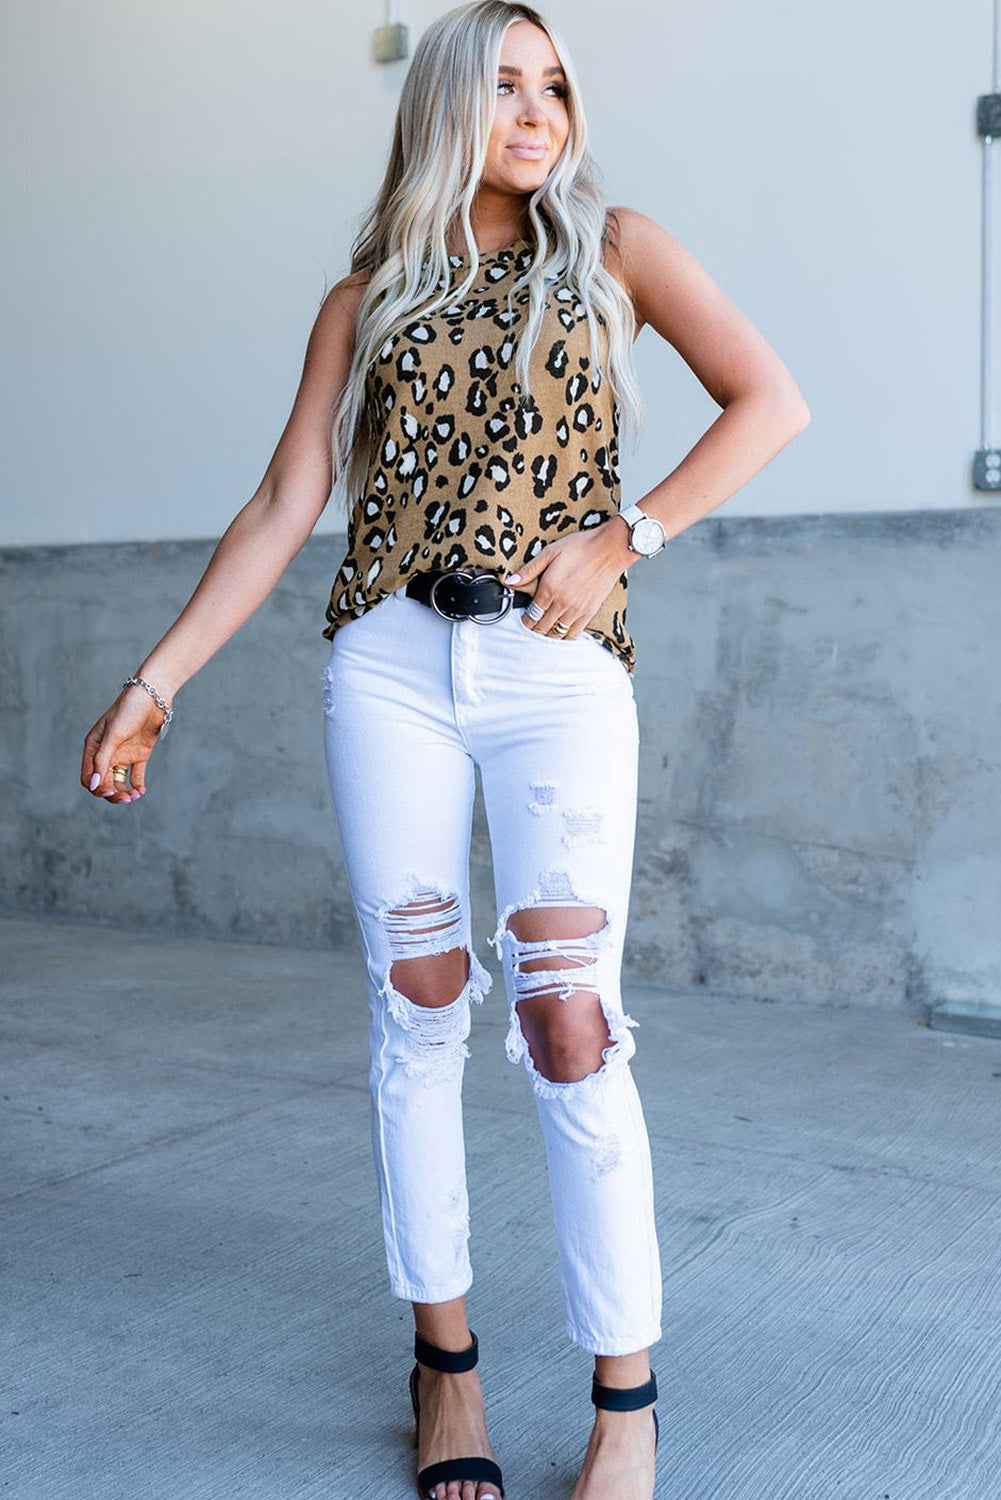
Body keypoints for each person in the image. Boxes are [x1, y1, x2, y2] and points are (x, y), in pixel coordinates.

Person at [80, 3, 810, 1496]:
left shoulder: (615, 253)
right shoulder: (362, 301)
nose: (537, 111)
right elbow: (284, 506)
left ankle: (625, 1408)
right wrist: (157, 679)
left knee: (568, 1026)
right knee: (416, 1013)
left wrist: (627, 534)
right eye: (503, 86)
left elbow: (770, 402)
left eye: (554, 86)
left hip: (557, 677)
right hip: (392, 669)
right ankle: (448, 1374)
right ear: (438, 107)